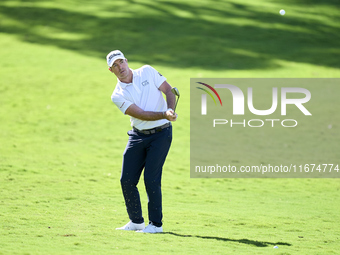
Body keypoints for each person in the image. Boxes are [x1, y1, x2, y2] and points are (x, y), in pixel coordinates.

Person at [107, 50, 178, 233]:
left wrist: (170, 109)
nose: (120, 67)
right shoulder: (117, 94)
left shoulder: (147, 71)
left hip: (161, 134)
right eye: (115, 65)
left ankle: (156, 225)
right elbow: (140, 114)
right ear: (111, 70)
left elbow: (169, 90)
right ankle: (136, 221)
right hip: (138, 135)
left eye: (121, 62)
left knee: (151, 179)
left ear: (127, 61)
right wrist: (164, 114)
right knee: (127, 179)